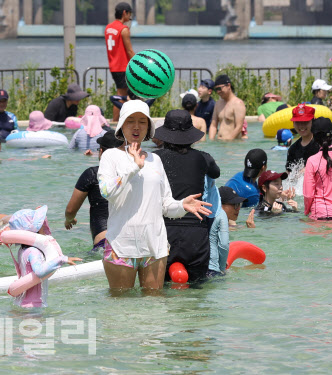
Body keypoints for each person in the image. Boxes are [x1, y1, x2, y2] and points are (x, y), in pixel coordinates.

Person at [97, 101, 211, 291]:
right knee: (120, 310)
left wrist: (182, 205)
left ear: (149, 127)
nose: (136, 126)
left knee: (155, 309)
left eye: (142, 122)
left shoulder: (155, 159)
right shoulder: (110, 156)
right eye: (130, 121)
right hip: (121, 245)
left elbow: (165, 204)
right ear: (121, 125)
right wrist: (133, 167)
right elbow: (106, 192)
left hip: (155, 245)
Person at [153, 110, 220, 282]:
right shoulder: (203, 158)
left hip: (164, 232)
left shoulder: (154, 159)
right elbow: (216, 173)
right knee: (197, 292)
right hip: (196, 235)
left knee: (162, 289)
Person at [6, 206, 81, 308]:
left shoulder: (22, 251)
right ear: (34, 230)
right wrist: (63, 259)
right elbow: (40, 271)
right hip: (33, 306)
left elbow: (46, 238)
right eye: (40, 223)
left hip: (22, 303)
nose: (43, 225)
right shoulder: (34, 252)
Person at [65, 130, 123, 249]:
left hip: (104, 243)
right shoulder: (133, 175)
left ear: (101, 151)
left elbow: (71, 210)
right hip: (132, 240)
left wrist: (69, 219)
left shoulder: (92, 174)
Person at [303, 117, 332, 220]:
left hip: (319, 214)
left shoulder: (312, 160)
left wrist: (306, 211)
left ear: (314, 136)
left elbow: (308, 194)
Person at [286, 104, 332, 174]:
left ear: (313, 121)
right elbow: (289, 175)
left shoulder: (328, 139)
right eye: (297, 122)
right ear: (293, 124)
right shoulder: (293, 149)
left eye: (305, 122)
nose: (301, 126)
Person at [104, 2, 136, 121]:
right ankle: (117, 121)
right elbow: (129, 51)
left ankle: (117, 120)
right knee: (122, 96)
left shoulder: (108, 28)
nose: (129, 18)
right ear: (124, 13)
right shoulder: (123, 29)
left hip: (113, 66)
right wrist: (139, 65)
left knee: (120, 95)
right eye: (129, 14)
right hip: (123, 67)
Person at [209, 74, 246, 141]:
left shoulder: (238, 103)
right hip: (220, 143)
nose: (218, 92)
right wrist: (211, 141)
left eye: (219, 88)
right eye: (216, 89)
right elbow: (213, 126)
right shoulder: (218, 104)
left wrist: (228, 141)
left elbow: (239, 127)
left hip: (232, 145)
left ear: (228, 85)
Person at [207, 186, 231, 278]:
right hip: (211, 266)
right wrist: (221, 269)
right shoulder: (220, 213)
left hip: (191, 263)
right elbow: (224, 244)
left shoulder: (192, 208)